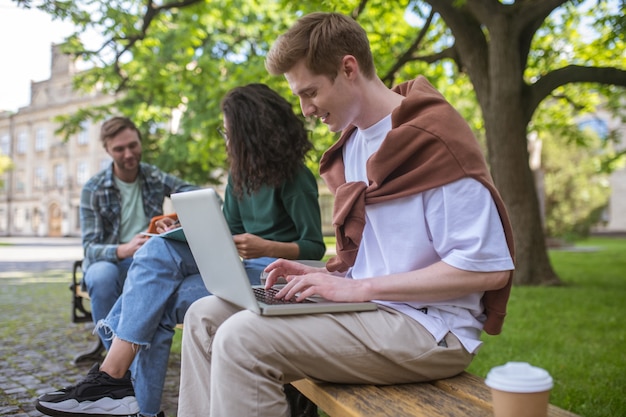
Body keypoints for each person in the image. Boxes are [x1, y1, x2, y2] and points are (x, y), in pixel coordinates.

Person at [177, 12, 516, 417]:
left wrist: (361, 288)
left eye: (310, 92)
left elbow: (487, 269)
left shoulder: (434, 140)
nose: (305, 110)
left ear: (348, 68)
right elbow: (378, 258)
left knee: (241, 338)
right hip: (373, 311)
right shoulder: (352, 144)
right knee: (204, 316)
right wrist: (329, 277)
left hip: (431, 330)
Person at [35, 84, 326, 417]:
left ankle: (118, 388)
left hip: (272, 277)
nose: (226, 138)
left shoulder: (295, 177)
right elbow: (228, 231)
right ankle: (119, 389)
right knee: (159, 249)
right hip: (235, 269)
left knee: (158, 302)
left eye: (228, 131)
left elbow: (313, 248)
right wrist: (187, 232)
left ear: (252, 132)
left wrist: (265, 245)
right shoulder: (238, 177)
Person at [79, 116, 198, 344]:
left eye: (133, 145)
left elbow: (193, 193)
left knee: (164, 270)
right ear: (107, 150)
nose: (128, 154)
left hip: (148, 259)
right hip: (112, 262)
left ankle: (137, 356)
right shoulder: (93, 189)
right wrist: (123, 250)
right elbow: (90, 248)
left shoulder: (153, 176)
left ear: (140, 142)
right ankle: (115, 366)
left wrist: (170, 219)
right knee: (101, 276)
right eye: (119, 149)